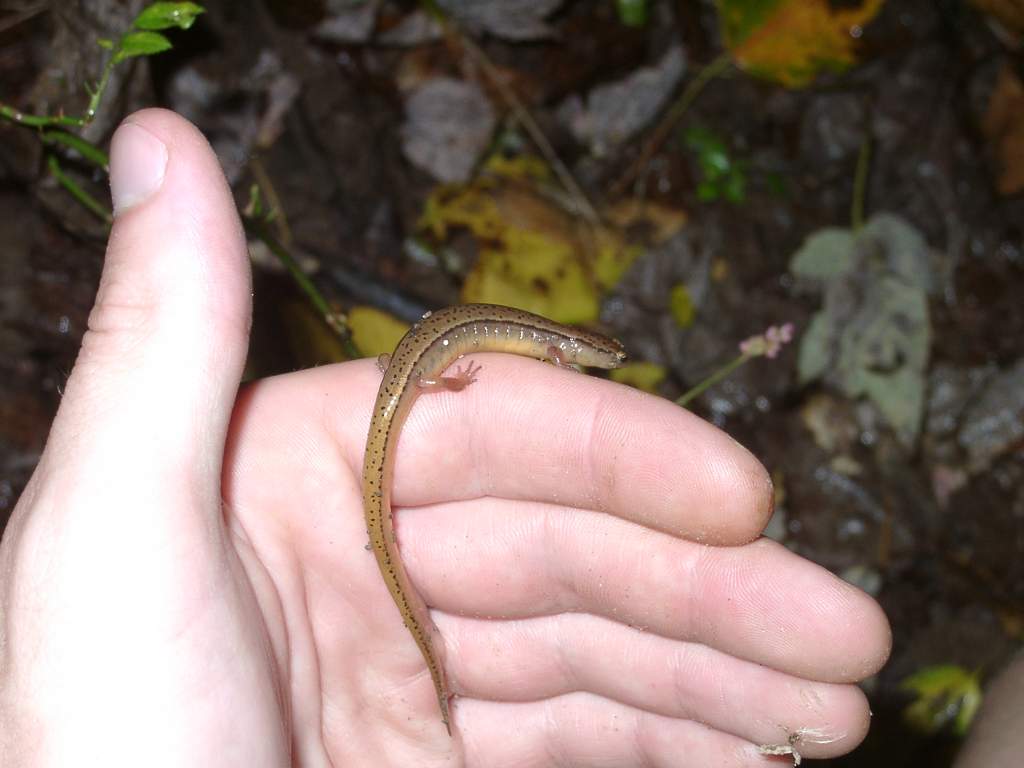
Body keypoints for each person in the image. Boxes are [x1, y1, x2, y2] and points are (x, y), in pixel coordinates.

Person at [0, 109, 890, 766]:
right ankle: (423, 646)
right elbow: (469, 355)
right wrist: (440, 377)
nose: (597, 363)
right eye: (596, 358)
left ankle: (430, 647)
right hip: (418, 367)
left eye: (598, 359)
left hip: (423, 364)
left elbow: (473, 350)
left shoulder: (541, 342)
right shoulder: (542, 345)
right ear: (574, 350)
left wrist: (441, 374)